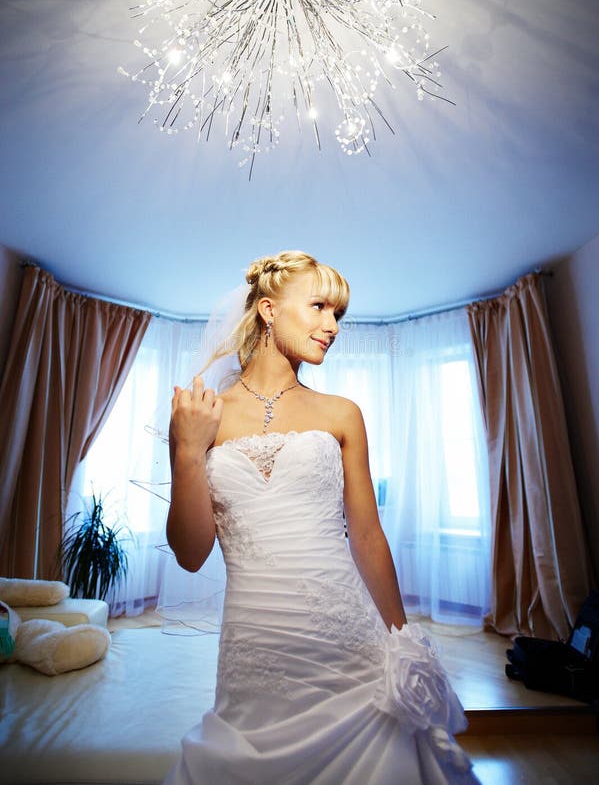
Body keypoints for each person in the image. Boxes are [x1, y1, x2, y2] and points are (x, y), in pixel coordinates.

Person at [164, 250, 479, 785]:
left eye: (338, 315)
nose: (332, 326)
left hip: (346, 636)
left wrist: (402, 642)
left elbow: (368, 535)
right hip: (254, 644)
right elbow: (191, 554)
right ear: (268, 309)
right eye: (319, 307)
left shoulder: (341, 413)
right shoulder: (201, 415)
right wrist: (189, 452)